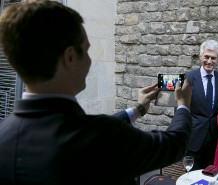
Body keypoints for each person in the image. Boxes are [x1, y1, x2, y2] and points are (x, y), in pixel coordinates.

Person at [0, 1, 192, 185]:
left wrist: (137, 109)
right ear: (70, 57)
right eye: (86, 50)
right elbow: (173, 144)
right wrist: (183, 105)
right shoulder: (104, 136)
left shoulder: (5, 137)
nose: (90, 61)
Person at [185, 40, 218, 170]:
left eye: (213, 58)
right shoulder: (188, 77)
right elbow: (181, 108)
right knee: (192, 176)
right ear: (200, 57)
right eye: (206, 57)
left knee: (211, 175)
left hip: (215, 139)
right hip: (194, 137)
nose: (209, 61)